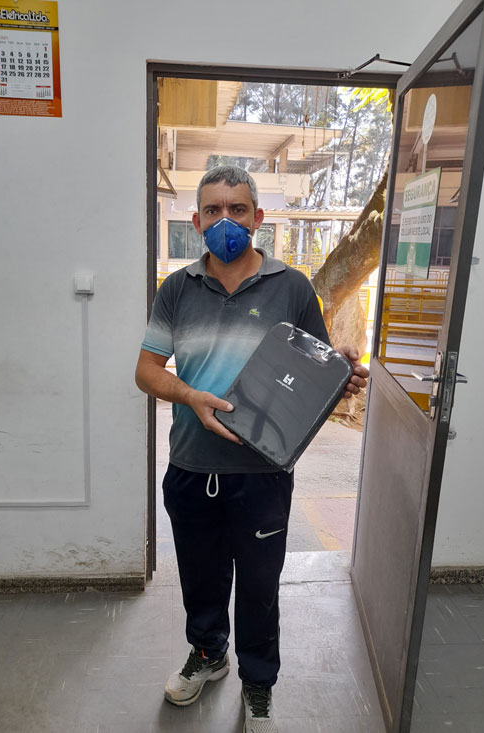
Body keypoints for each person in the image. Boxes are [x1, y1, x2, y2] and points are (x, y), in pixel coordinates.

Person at [135, 165, 368, 732]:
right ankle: (208, 654)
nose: (225, 221)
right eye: (213, 210)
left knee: (260, 586)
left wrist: (340, 372)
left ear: (257, 217)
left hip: (263, 472)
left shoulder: (293, 287)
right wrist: (190, 395)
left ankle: (258, 683)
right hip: (192, 465)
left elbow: (312, 368)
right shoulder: (177, 289)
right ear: (196, 222)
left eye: (237, 209)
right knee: (201, 577)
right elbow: (146, 371)